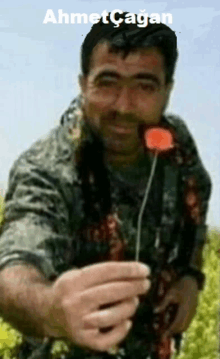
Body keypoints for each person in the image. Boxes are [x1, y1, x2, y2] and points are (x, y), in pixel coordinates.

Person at [0, 12, 212, 359]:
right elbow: (15, 270)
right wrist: (50, 308)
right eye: (108, 82)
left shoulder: (176, 144)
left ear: (167, 91)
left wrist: (190, 277)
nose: (124, 107)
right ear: (83, 84)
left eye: (144, 86)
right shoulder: (47, 167)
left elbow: (195, 202)